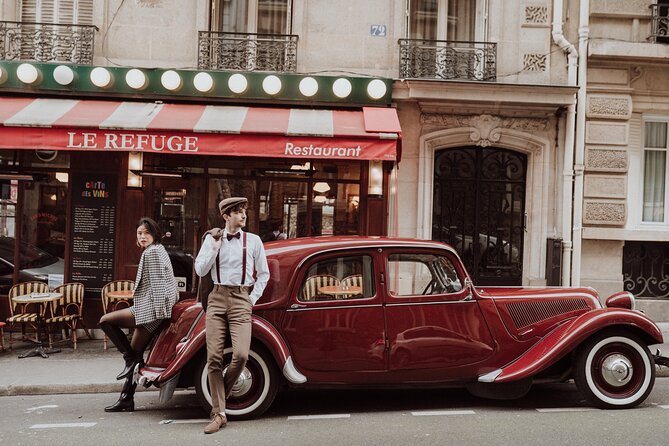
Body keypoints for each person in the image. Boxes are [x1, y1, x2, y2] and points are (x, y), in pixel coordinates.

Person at [195, 197, 269, 434]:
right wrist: (214, 249)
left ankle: (220, 402)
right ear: (226, 216)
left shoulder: (254, 240)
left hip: (241, 298)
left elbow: (264, 275)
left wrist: (251, 299)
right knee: (214, 358)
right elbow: (199, 270)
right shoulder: (212, 238)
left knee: (240, 354)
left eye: (244, 211)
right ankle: (219, 414)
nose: (243, 215)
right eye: (238, 212)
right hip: (216, 297)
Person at [99, 217, 179, 413]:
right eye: (139, 233)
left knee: (105, 321)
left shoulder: (152, 253)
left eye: (146, 233)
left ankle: (130, 361)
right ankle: (127, 397)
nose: (142, 237)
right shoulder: (158, 249)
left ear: (154, 234)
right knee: (135, 353)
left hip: (150, 311)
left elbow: (160, 285)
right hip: (150, 308)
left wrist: (159, 315)